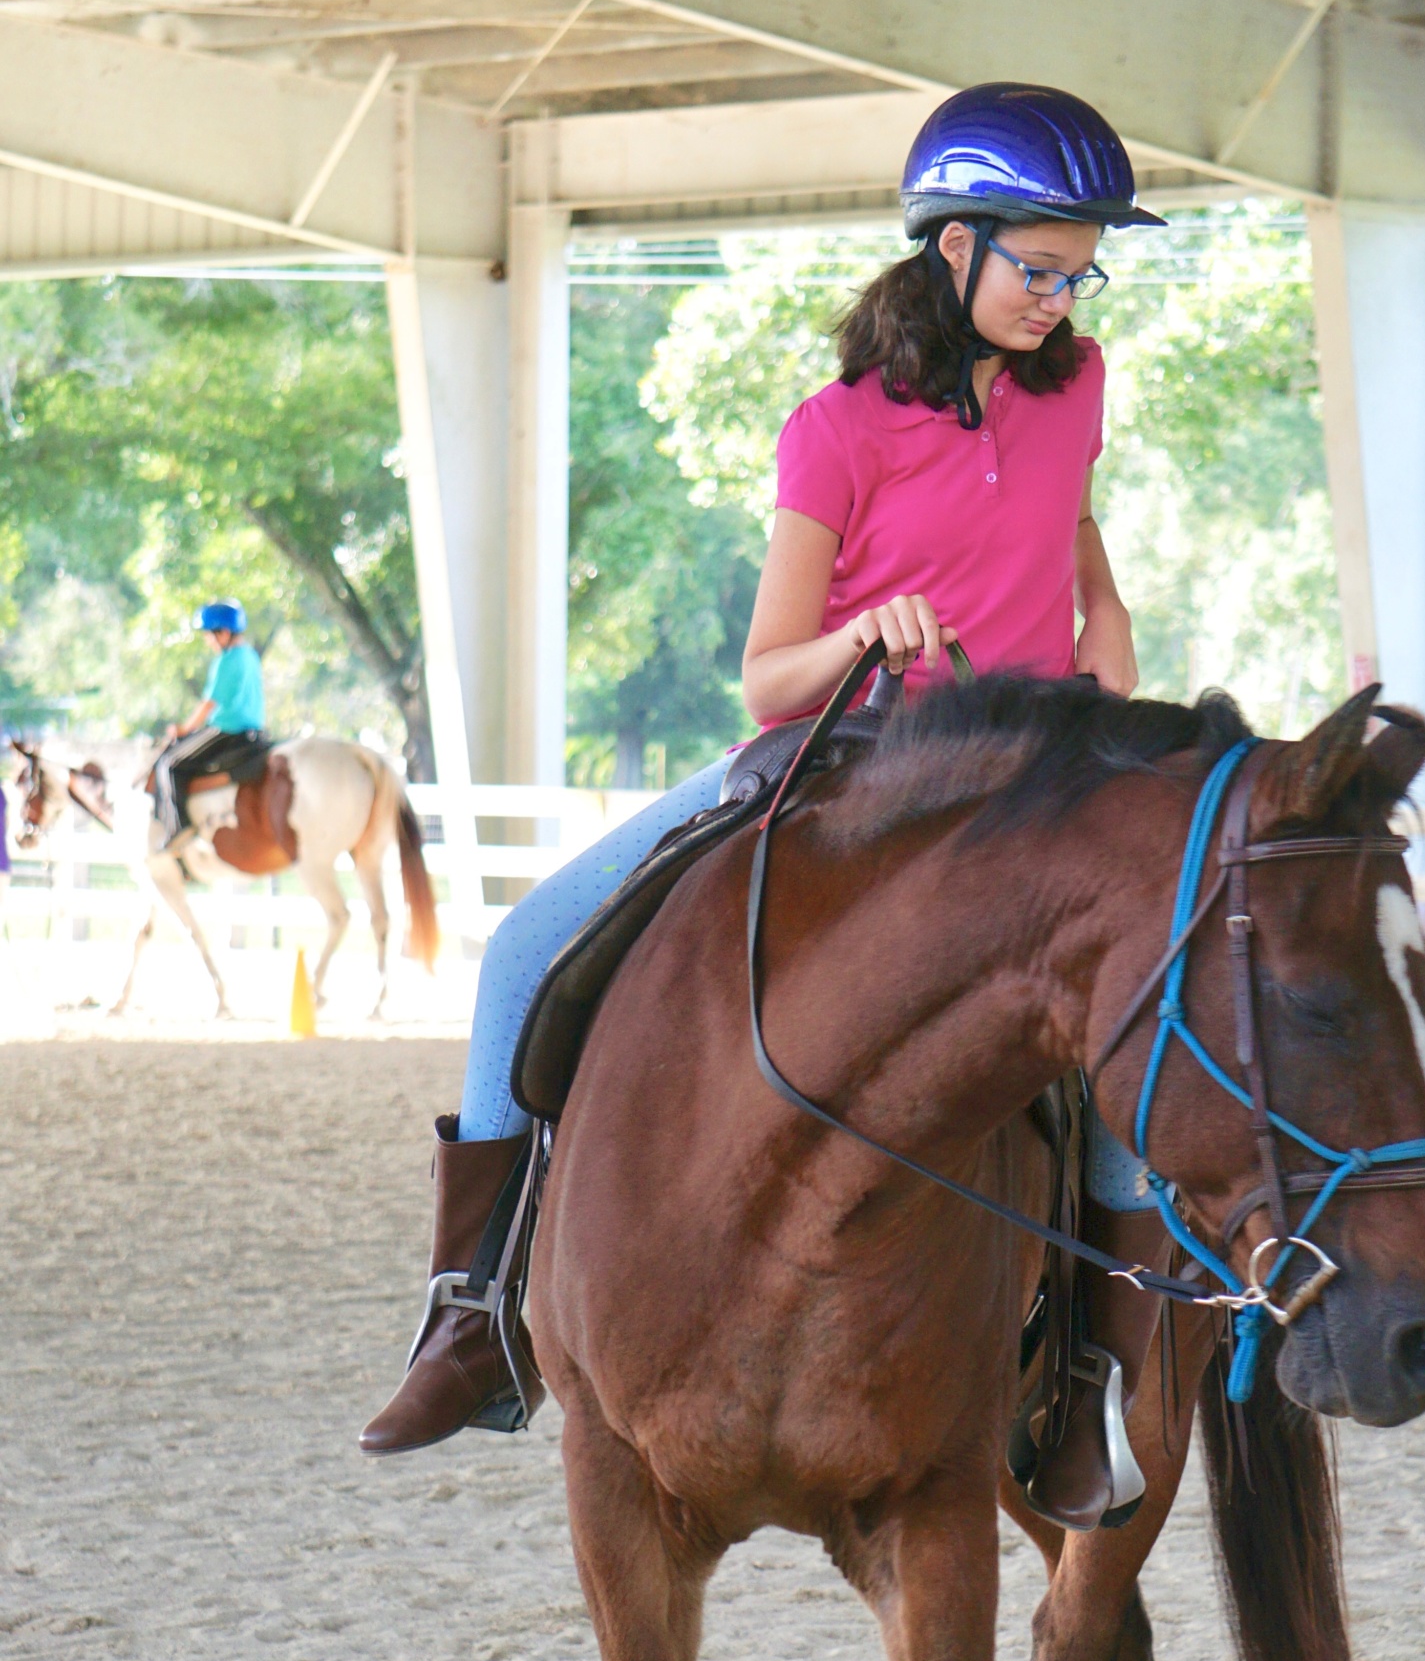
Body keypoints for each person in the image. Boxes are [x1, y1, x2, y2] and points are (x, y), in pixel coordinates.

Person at [361, 81, 1171, 1529]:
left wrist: (1111, 697)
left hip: (1029, 781)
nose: (1062, 295)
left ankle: (1099, 1371)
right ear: (954, 247)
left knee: (1149, 1007)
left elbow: (1090, 583)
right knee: (523, 949)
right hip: (844, 765)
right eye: (1039, 267)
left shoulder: (1078, 387)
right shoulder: (836, 431)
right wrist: (872, 632)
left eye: (1080, 268)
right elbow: (762, 675)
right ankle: (473, 1316)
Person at [154, 601, 268, 845]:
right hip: (254, 730)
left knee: (168, 764)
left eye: (209, 635)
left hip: (227, 730)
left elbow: (209, 704)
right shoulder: (250, 656)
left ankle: (178, 829)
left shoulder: (227, 661)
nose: (207, 641)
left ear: (224, 633)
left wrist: (184, 729)